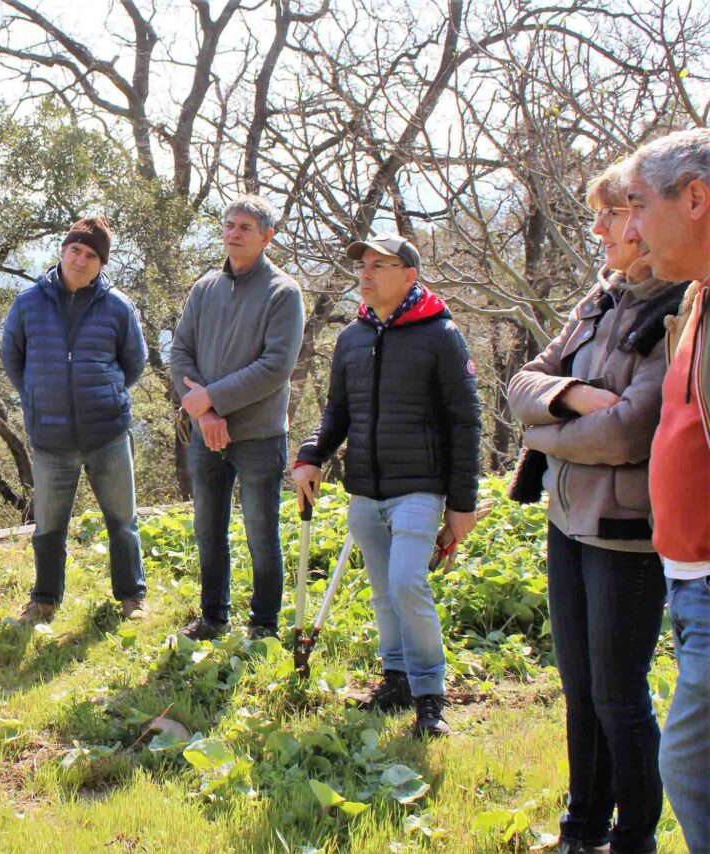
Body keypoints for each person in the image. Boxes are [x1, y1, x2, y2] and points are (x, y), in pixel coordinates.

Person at [508, 162, 683, 854]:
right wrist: (574, 399)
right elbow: (524, 383)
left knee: (618, 695)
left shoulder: (678, 308)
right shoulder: (601, 298)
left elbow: (631, 431)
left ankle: (633, 837)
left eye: (612, 214)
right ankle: (582, 830)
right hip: (568, 520)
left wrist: (548, 425)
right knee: (579, 690)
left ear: (646, 224)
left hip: (626, 536)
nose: (600, 228)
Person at [292, 232, 480, 738]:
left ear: (409, 276)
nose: (366, 273)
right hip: (365, 491)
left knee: (405, 584)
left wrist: (462, 505)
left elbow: (467, 422)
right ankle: (395, 679)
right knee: (382, 592)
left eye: (380, 264)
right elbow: (337, 411)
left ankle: (430, 697)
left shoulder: (441, 335)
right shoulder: (352, 337)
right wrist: (311, 455)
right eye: (364, 264)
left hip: (419, 488)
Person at [622, 128, 710, 854]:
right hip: (689, 583)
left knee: (687, 766)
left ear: (696, 199)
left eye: (637, 206)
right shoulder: (696, 303)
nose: (629, 229)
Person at [169, 195, 305, 641]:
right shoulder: (205, 288)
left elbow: (275, 366)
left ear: (266, 236)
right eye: (228, 224)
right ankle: (213, 618)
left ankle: (264, 627)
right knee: (209, 530)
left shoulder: (283, 293)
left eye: (244, 226)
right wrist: (205, 412)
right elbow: (181, 351)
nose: (233, 232)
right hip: (205, 435)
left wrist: (213, 401)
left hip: (259, 436)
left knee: (261, 537)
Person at [1, 216, 148, 623]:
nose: (80, 259)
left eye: (91, 255)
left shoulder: (117, 306)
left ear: (102, 263)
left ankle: (132, 598)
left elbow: (134, 363)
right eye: (75, 250)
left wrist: (104, 394)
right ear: (62, 251)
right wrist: (37, 396)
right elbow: (13, 359)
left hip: (107, 434)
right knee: (48, 527)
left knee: (122, 520)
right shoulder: (28, 302)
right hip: (50, 438)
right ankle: (44, 601)